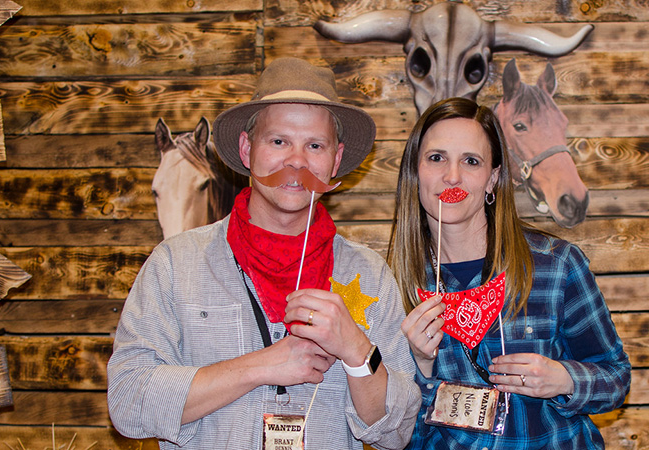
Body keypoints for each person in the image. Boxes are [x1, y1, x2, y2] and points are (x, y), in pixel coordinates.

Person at [107, 57, 421, 449]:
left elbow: (397, 432)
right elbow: (128, 402)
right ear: (246, 148)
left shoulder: (369, 275)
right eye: (278, 141)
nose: (296, 161)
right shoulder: (175, 264)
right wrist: (259, 366)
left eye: (315, 146)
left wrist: (357, 351)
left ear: (335, 160)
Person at [388, 97, 631, 449]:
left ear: (493, 178)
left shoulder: (557, 265)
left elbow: (616, 377)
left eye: (471, 161)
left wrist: (564, 379)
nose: (451, 175)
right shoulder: (392, 285)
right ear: (416, 171)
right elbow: (393, 435)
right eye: (436, 158)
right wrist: (421, 368)